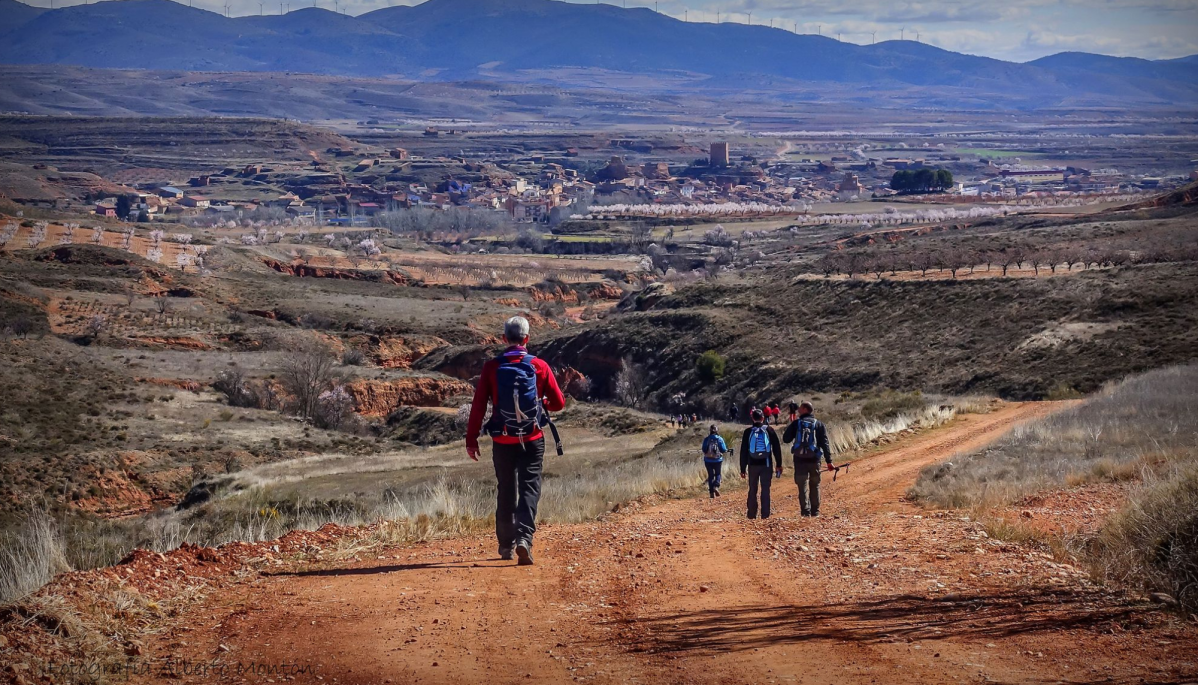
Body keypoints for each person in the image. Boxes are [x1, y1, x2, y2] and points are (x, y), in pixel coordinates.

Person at [466, 316, 566, 565]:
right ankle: (524, 539)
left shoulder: (492, 367)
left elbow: (478, 406)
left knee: (506, 490)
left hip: (503, 440)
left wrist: (472, 439)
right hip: (532, 438)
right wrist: (541, 403)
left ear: (504, 339)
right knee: (530, 487)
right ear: (527, 339)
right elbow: (559, 403)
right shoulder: (540, 366)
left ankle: (505, 545)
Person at [782, 401, 834, 517]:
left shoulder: (796, 423)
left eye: (800, 407)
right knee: (815, 485)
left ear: (805, 409)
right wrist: (829, 461)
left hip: (799, 460)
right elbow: (825, 443)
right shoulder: (819, 424)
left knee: (802, 486)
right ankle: (815, 511)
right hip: (814, 460)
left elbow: (785, 439)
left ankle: (805, 511)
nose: (798, 409)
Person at [739, 408, 782, 519]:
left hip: (752, 465)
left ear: (752, 418)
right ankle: (765, 514)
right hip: (766, 464)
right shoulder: (769, 430)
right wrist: (779, 464)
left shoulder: (748, 432)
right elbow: (777, 448)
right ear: (763, 418)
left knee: (753, 489)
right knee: (765, 489)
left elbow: (743, 451)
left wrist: (743, 468)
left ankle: (752, 514)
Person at [701, 424, 728, 498]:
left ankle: (711, 493)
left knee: (710, 476)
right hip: (718, 460)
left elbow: (703, 449)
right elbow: (723, 449)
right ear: (717, 431)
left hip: (707, 460)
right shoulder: (720, 439)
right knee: (718, 474)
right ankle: (716, 486)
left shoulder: (706, 439)